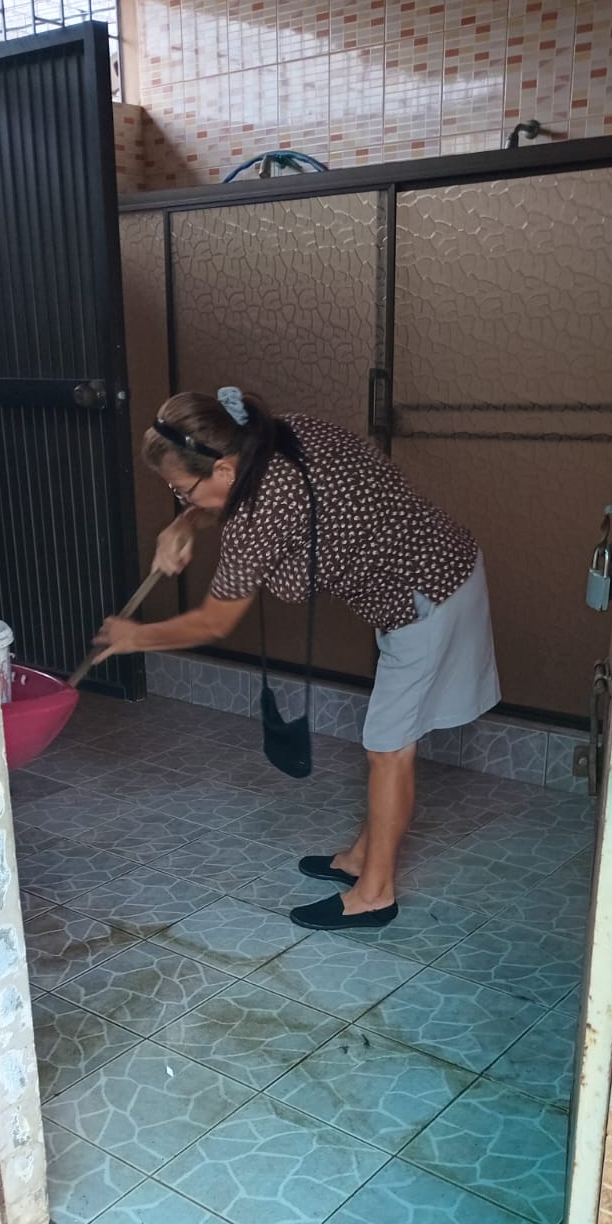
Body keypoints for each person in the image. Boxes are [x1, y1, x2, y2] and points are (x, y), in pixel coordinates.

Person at [93, 387, 500, 932]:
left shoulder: (258, 516)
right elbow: (234, 497)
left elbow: (214, 622)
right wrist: (185, 521)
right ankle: (360, 858)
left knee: (389, 748)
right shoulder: (275, 435)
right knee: (389, 739)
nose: (178, 495)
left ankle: (374, 895)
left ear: (223, 468)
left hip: (430, 596)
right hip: (430, 571)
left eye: (179, 488)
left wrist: (134, 637)